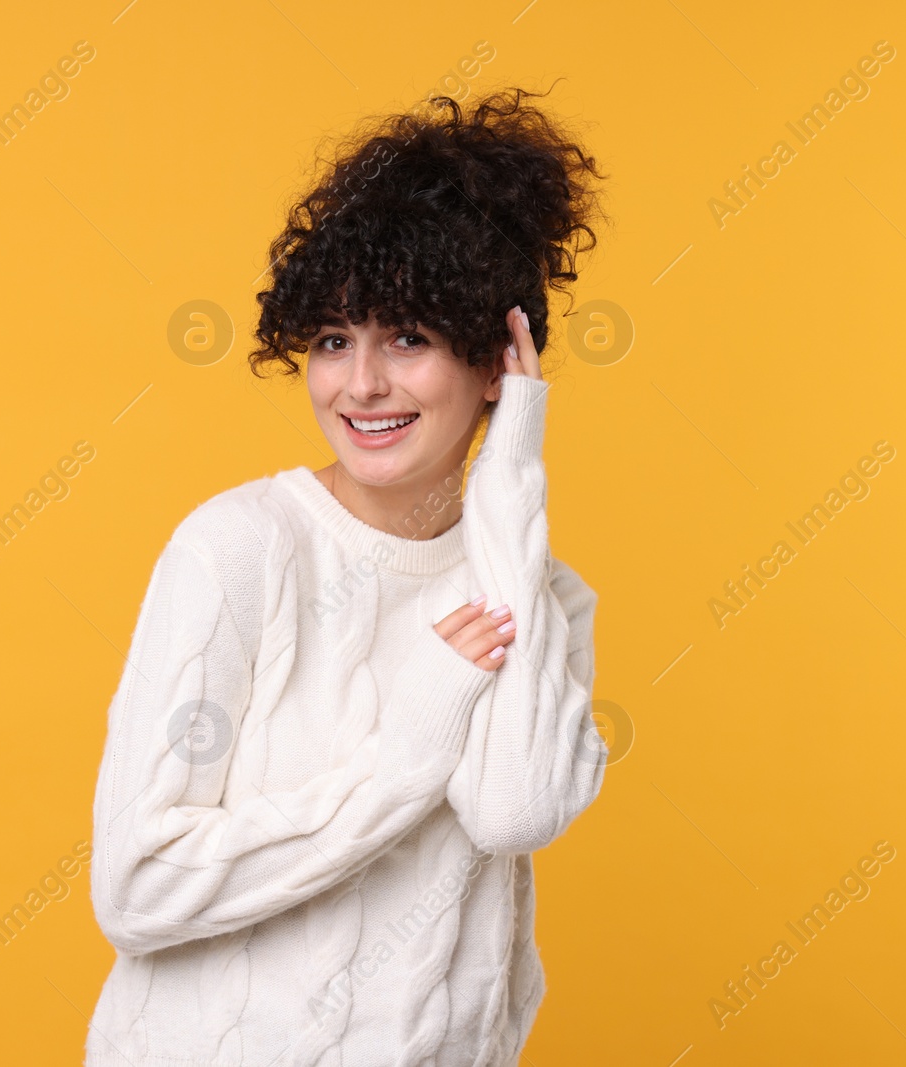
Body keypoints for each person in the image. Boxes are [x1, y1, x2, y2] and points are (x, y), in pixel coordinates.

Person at [86, 84, 609, 1067]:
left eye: (407, 338)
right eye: (333, 339)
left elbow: (514, 807)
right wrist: (402, 757)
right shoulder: (240, 550)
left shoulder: (541, 594)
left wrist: (508, 488)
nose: (359, 384)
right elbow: (137, 886)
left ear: (498, 359)